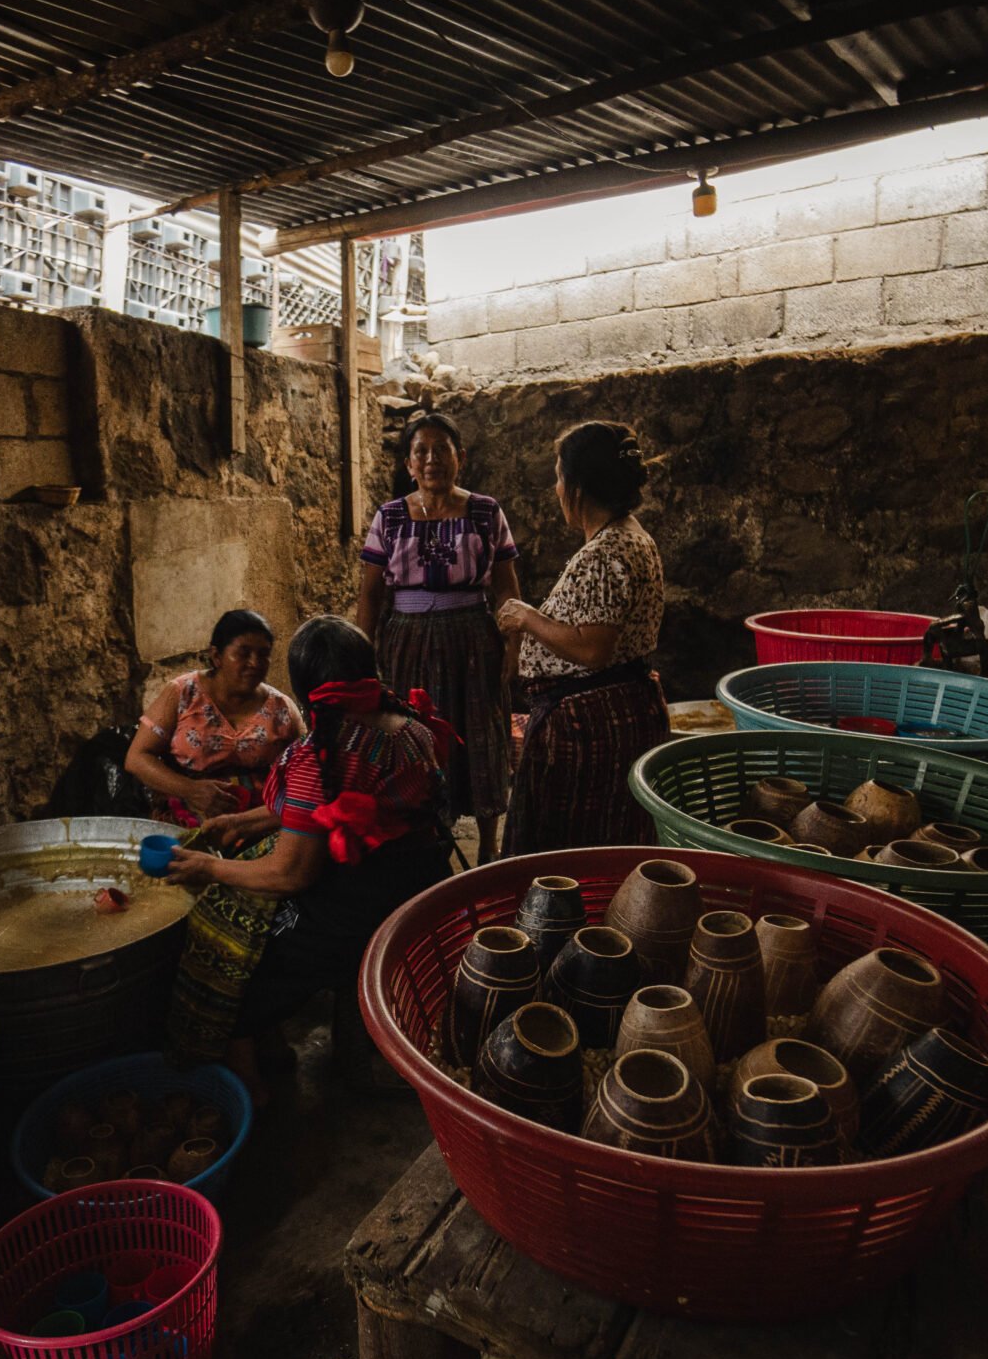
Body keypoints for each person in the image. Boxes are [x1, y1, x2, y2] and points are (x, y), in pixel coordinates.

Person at [164, 616, 453, 1099]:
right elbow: (336, 808)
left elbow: (290, 872)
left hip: (358, 905)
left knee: (234, 946)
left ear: (303, 686)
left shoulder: (318, 754)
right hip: (416, 880)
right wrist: (242, 822)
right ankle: (334, 1052)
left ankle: (249, 1088)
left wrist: (207, 866)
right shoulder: (412, 726)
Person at [495, 421, 669, 854]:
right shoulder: (631, 536)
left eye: (558, 476)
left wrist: (526, 617)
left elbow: (593, 648)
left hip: (588, 728)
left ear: (577, 486)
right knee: (607, 841)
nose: (555, 489)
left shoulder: (605, 553)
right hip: (616, 711)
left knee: (567, 853)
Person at [356, 412, 520, 858]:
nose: (432, 460)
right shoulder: (389, 518)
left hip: (473, 637)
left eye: (441, 450)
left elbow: (506, 586)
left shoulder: (486, 512)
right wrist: (360, 657)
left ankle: (488, 847)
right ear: (409, 465)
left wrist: (512, 646)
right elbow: (370, 595)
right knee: (416, 737)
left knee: (482, 733)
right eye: (421, 452)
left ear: (460, 458)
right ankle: (429, 843)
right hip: (407, 641)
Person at [126, 609, 304, 829]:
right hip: (186, 821)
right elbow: (137, 758)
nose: (254, 663)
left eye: (263, 654)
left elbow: (305, 772)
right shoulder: (183, 693)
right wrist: (191, 790)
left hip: (255, 827)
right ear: (217, 656)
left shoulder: (282, 708)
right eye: (243, 653)